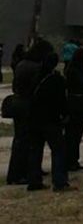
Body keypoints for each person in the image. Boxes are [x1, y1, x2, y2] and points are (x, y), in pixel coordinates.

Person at [6, 39, 53, 186]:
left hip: (18, 103)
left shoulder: (22, 64)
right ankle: (21, 173)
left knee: (20, 140)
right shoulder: (35, 67)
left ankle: (19, 172)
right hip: (28, 105)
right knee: (27, 141)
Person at [25, 51, 71, 191]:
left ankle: (33, 180)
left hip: (34, 118)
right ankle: (59, 181)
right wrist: (65, 114)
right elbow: (61, 100)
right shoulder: (56, 79)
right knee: (58, 150)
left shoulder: (35, 77)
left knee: (35, 151)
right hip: (51, 119)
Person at [64, 47, 83, 172]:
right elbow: (82, 82)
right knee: (73, 134)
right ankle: (70, 160)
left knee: (75, 134)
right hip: (76, 103)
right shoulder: (75, 70)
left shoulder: (73, 68)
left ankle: (72, 159)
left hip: (76, 102)